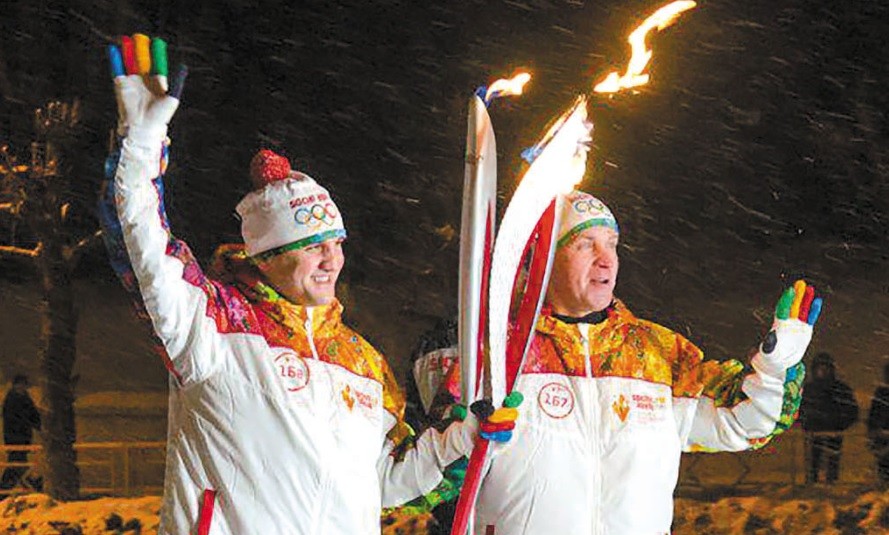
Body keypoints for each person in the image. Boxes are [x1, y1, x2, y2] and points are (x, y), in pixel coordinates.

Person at [99, 34, 506, 534]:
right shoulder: (210, 326)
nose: (331, 259)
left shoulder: (362, 361)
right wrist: (139, 148)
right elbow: (141, 246)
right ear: (266, 258)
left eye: (336, 243)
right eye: (313, 245)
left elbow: (385, 482)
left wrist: (458, 439)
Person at [439, 190, 822, 534]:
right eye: (585, 244)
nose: (606, 260)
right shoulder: (497, 355)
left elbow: (746, 424)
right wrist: (463, 443)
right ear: (543, 260)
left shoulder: (657, 353)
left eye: (612, 244)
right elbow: (437, 473)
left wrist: (774, 367)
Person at [799, 352, 859, 484]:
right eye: (820, 367)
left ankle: (831, 483)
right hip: (815, 432)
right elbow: (799, 409)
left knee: (832, 460)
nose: (822, 371)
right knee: (814, 460)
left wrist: (840, 424)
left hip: (833, 431)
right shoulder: (810, 389)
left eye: (825, 367)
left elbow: (851, 410)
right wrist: (807, 422)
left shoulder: (839, 389)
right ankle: (813, 483)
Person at [1, 375, 41, 490]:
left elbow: (32, 415)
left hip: (19, 438)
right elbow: (25, 418)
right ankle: (33, 484)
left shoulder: (20, 398)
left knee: (17, 464)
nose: (22, 387)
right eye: (21, 384)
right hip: (16, 438)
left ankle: (31, 484)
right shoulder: (14, 400)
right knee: (17, 464)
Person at [867, 362, 889, 487]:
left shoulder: (881, 393)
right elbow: (874, 414)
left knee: (884, 466)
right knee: (884, 465)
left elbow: (874, 414)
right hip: (882, 435)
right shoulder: (881, 393)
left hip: (881, 434)